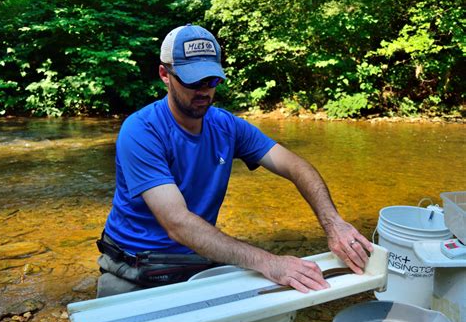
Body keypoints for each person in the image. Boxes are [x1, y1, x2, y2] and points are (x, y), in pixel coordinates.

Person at [96, 24, 373, 300]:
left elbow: (296, 166)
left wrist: (333, 223)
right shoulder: (141, 131)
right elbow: (177, 223)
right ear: (164, 74)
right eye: (193, 81)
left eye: (212, 80)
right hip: (137, 264)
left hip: (197, 257)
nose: (204, 91)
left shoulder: (226, 126)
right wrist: (269, 262)